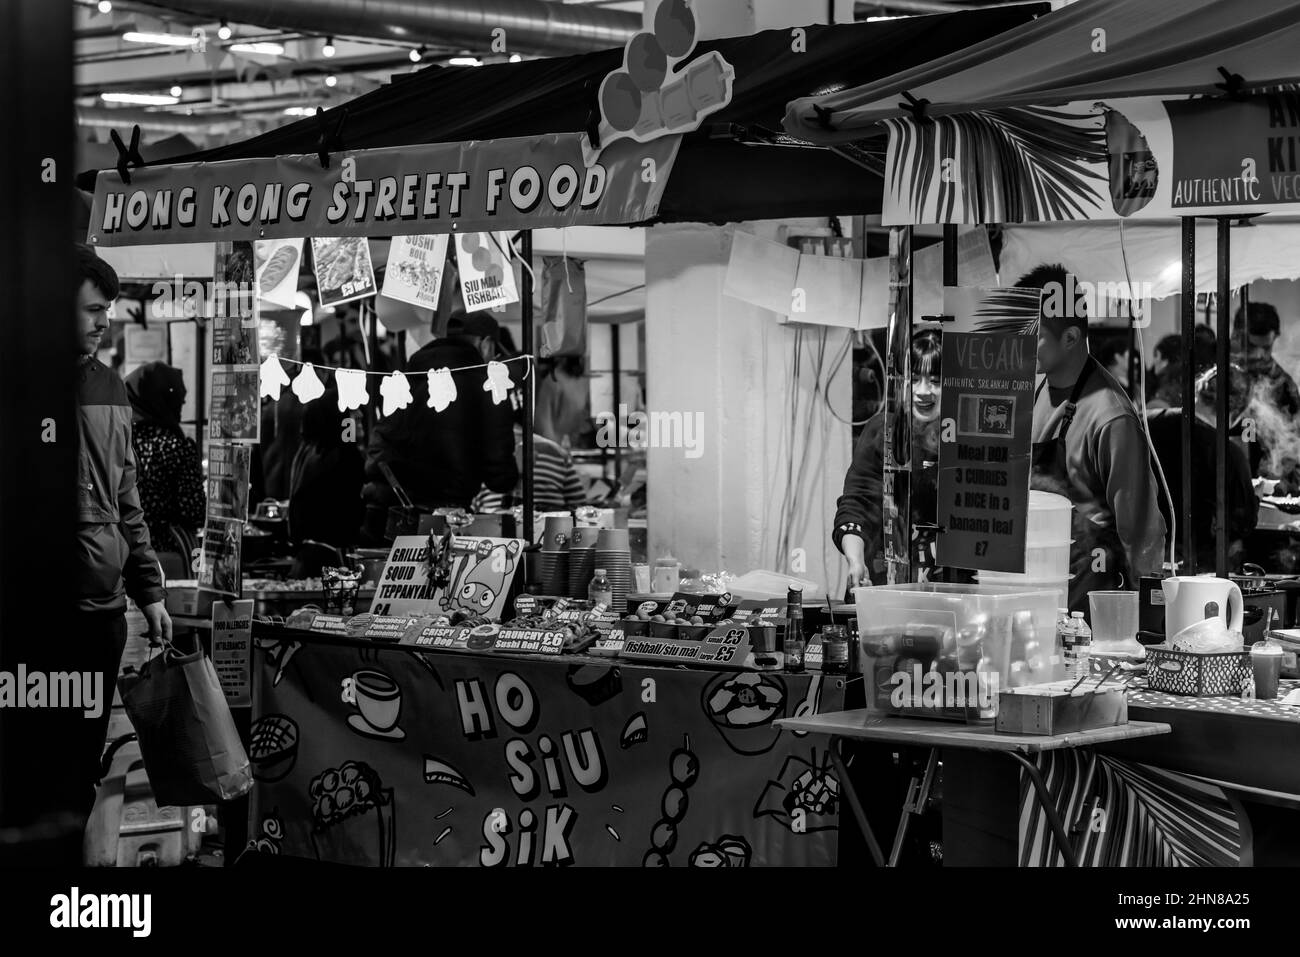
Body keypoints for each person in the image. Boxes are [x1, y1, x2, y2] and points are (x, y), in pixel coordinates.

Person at [73, 244, 172, 816]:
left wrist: (150, 591)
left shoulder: (111, 388)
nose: (104, 321)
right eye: (92, 309)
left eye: (107, 309)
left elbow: (126, 500)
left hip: (102, 616)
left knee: (82, 762)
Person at [1018, 264, 1166, 612]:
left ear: (1069, 338)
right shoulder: (1033, 390)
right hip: (1032, 591)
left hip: (1089, 607)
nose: (1020, 342)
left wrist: (1145, 622)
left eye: (1031, 333)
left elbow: (1141, 532)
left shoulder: (1111, 416)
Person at [360, 312, 517, 542]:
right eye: (496, 353)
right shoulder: (487, 385)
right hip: (441, 523)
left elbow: (381, 440)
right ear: (486, 344)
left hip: (383, 513)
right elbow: (499, 477)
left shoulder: (410, 373)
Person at [833, 330, 945, 589]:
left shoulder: (965, 435)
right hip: (886, 583)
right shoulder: (882, 430)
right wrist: (855, 560)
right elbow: (857, 503)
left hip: (951, 589)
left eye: (936, 380)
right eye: (914, 379)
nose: (923, 391)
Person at [1145, 363, 1258, 573]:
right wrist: (1253, 494)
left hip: (1134, 553)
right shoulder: (1228, 454)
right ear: (1238, 411)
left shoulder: (1147, 422)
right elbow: (1242, 522)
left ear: (1197, 389)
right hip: (1193, 567)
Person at [124, 361, 205, 556]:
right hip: (166, 555)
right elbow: (195, 513)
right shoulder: (176, 448)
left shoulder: (116, 443)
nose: (183, 403)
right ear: (160, 400)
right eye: (176, 396)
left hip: (121, 553)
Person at [473, 389, 589, 513]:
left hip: (494, 527)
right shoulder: (557, 452)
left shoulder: (482, 452)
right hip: (550, 528)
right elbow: (580, 511)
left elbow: (469, 511)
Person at [288, 391, 365, 571]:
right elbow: (350, 516)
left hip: (307, 558)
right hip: (332, 562)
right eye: (353, 410)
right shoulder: (345, 456)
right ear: (340, 416)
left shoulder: (309, 450)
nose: (360, 414)